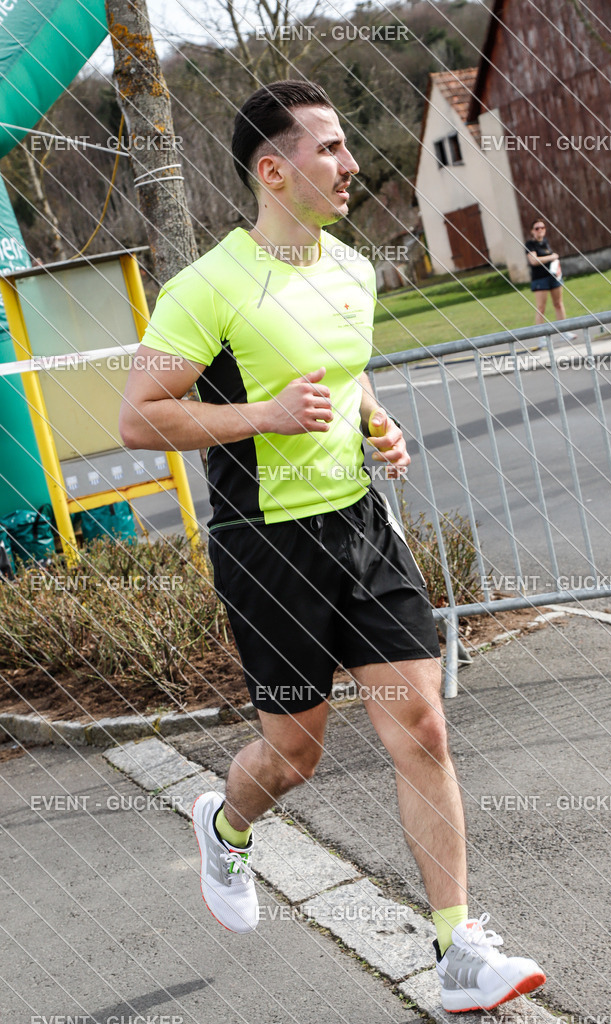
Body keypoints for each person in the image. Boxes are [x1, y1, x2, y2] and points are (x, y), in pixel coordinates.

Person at [119, 80, 546, 1014]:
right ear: (274, 169)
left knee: (425, 729)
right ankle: (227, 825)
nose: (352, 164)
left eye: (347, 146)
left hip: (358, 526)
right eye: (330, 149)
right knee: (294, 755)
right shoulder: (209, 286)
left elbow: (348, 384)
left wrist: (378, 426)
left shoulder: (353, 272)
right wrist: (263, 416)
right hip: (264, 546)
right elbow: (139, 418)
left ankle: (458, 949)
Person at [525, 218, 576, 343]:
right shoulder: (530, 245)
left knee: (558, 303)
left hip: (553, 276)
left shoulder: (546, 242)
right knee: (541, 307)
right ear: (532, 231)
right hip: (540, 279)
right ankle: (541, 337)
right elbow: (533, 261)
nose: (540, 230)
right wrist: (551, 257)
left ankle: (564, 331)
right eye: (537, 228)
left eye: (542, 227)